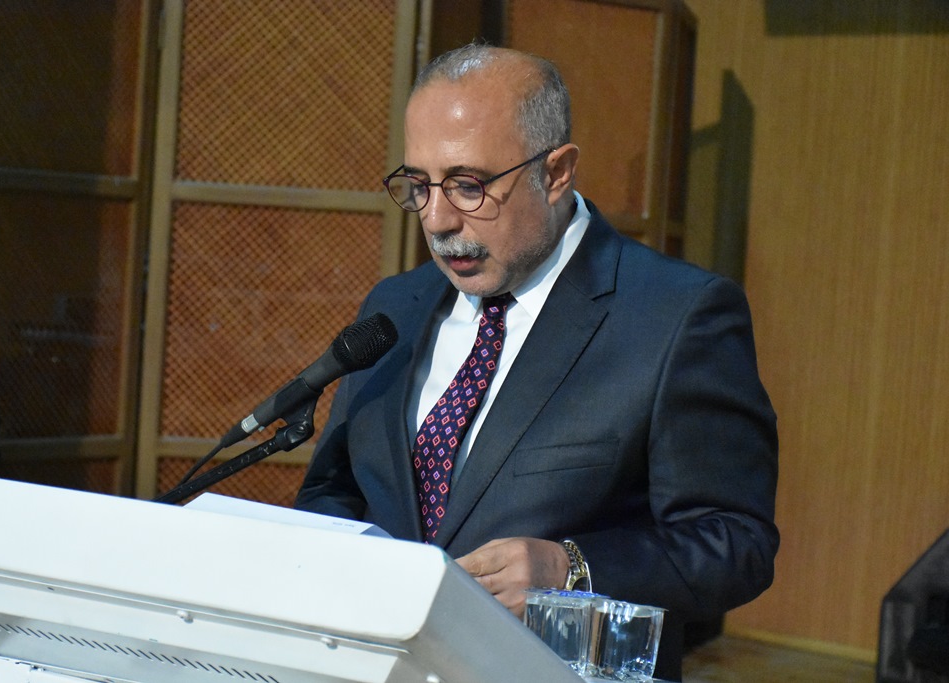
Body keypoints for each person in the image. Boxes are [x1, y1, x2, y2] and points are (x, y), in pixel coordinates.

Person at [295, 43, 778, 681]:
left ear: (555, 173)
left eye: (468, 186)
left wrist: (572, 570)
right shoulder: (395, 307)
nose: (437, 219)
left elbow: (735, 544)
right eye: (419, 185)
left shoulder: (677, 316)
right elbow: (334, 491)